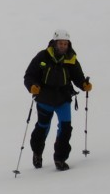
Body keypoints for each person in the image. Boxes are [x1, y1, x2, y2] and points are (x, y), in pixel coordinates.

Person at [23, 30, 93, 170]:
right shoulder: (42, 56)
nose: (63, 46)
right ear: (55, 43)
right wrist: (32, 87)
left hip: (63, 99)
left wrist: (83, 85)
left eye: (65, 43)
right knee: (43, 127)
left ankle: (60, 159)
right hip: (44, 99)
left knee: (65, 129)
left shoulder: (71, 58)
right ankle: (37, 153)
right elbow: (29, 75)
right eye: (60, 43)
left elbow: (78, 76)